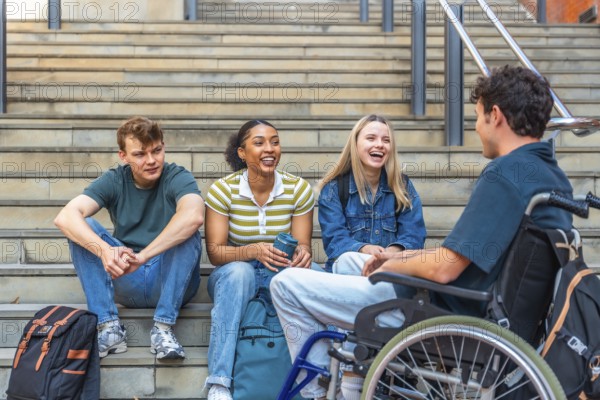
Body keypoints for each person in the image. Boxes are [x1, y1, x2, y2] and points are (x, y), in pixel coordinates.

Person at [270, 65, 574, 400]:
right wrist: (397, 255)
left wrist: (393, 265)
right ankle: (353, 382)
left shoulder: (506, 175)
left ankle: (319, 394)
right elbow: (459, 255)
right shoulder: (551, 177)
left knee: (285, 284)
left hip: (432, 306)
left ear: (496, 115)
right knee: (347, 266)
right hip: (476, 304)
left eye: (476, 116)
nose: (475, 127)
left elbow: (445, 267)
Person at [54, 116, 204, 360]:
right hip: (126, 276)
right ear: (123, 156)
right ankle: (109, 327)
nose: (152, 160)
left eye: (157, 150)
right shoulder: (115, 179)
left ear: (163, 146)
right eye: (140, 154)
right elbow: (65, 216)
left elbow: (194, 215)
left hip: (168, 279)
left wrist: (144, 256)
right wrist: (104, 250)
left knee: (189, 232)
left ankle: (163, 329)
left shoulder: (177, 176)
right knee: (84, 226)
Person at [203, 120, 317, 400]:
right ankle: (219, 382)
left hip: (279, 267)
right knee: (239, 274)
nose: (270, 149)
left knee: (317, 275)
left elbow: (303, 245)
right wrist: (253, 250)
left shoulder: (298, 189)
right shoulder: (223, 190)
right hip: (233, 272)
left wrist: (302, 254)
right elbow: (216, 253)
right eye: (259, 142)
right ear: (242, 153)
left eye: (275, 142)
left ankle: (319, 379)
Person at [318, 114, 426, 277]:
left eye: (386, 140)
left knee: (403, 264)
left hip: (392, 266)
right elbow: (335, 241)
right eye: (371, 138)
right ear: (355, 144)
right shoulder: (334, 189)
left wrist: (391, 253)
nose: (379, 145)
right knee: (345, 260)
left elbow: (414, 235)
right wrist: (364, 249)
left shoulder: (402, 187)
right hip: (350, 273)